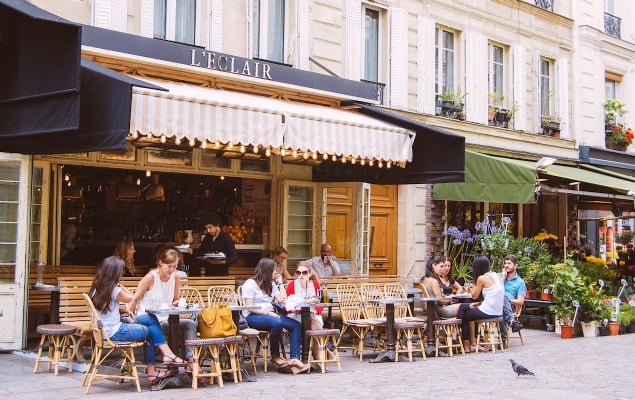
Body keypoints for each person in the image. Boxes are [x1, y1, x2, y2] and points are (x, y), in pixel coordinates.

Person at [88, 256, 182, 383]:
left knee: (150, 318)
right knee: (149, 332)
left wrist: (121, 309)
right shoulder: (115, 290)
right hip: (115, 332)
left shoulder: (96, 288)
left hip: (105, 330)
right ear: (115, 273)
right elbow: (132, 298)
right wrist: (121, 287)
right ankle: (153, 370)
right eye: (121, 272)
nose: (122, 274)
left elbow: (104, 307)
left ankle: (167, 355)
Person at [127, 246, 199, 375]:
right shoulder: (150, 277)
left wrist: (180, 303)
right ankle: (170, 357)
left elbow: (175, 300)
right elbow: (134, 299)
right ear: (160, 262)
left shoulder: (175, 277)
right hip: (148, 318)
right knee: (166, 325)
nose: (171, 270)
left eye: (174, 266)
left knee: (190, 323)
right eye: (169, 266)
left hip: (167, 317)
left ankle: (191, 360)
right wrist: (128, 316)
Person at [241, 258, 309, 373]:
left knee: (296, 325)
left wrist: (280, 283)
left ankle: (294, 358)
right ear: (266, 271)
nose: (276, 273)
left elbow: (282, 299)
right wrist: (269, 313)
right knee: (276, 322)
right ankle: (275, 356)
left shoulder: (271, 284)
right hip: (253, 316)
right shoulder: (250, 284)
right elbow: (250, 307)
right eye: (274, 271)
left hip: (271, 315)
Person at [285, 263, 336, 362]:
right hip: (296, 316)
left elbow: (320, 303)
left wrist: (316, 310)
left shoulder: (315, 284)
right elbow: (287, 303)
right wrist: (293, 309)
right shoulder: (292, 285)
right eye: (298, 272)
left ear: (309, 273)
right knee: (312, 326)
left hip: (313, 315)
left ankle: (315, 357)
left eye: (304, 272)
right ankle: (321, 357)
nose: (301, 275)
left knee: (313, 324)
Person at [456, 256, 504, 353]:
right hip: (498, 311)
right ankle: (471, 343)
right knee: (468, 310)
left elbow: (473, 296)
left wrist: (472, 289)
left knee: (462, 310)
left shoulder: (481, 278)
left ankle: (466, 344)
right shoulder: (496, 275)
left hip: (488, 311)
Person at [499, 255, 525, 341]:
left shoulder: (520, 282)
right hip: (495, 303)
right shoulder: (499, 277)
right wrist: (502, 278)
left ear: (515, 265)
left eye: (509, 263)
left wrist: (509, 300)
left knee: (503, 302)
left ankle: (503, 339)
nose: (506, 265)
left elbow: (520, 301)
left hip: (510, 305)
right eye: (505, 263)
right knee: (501, 298)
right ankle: (512, 322)